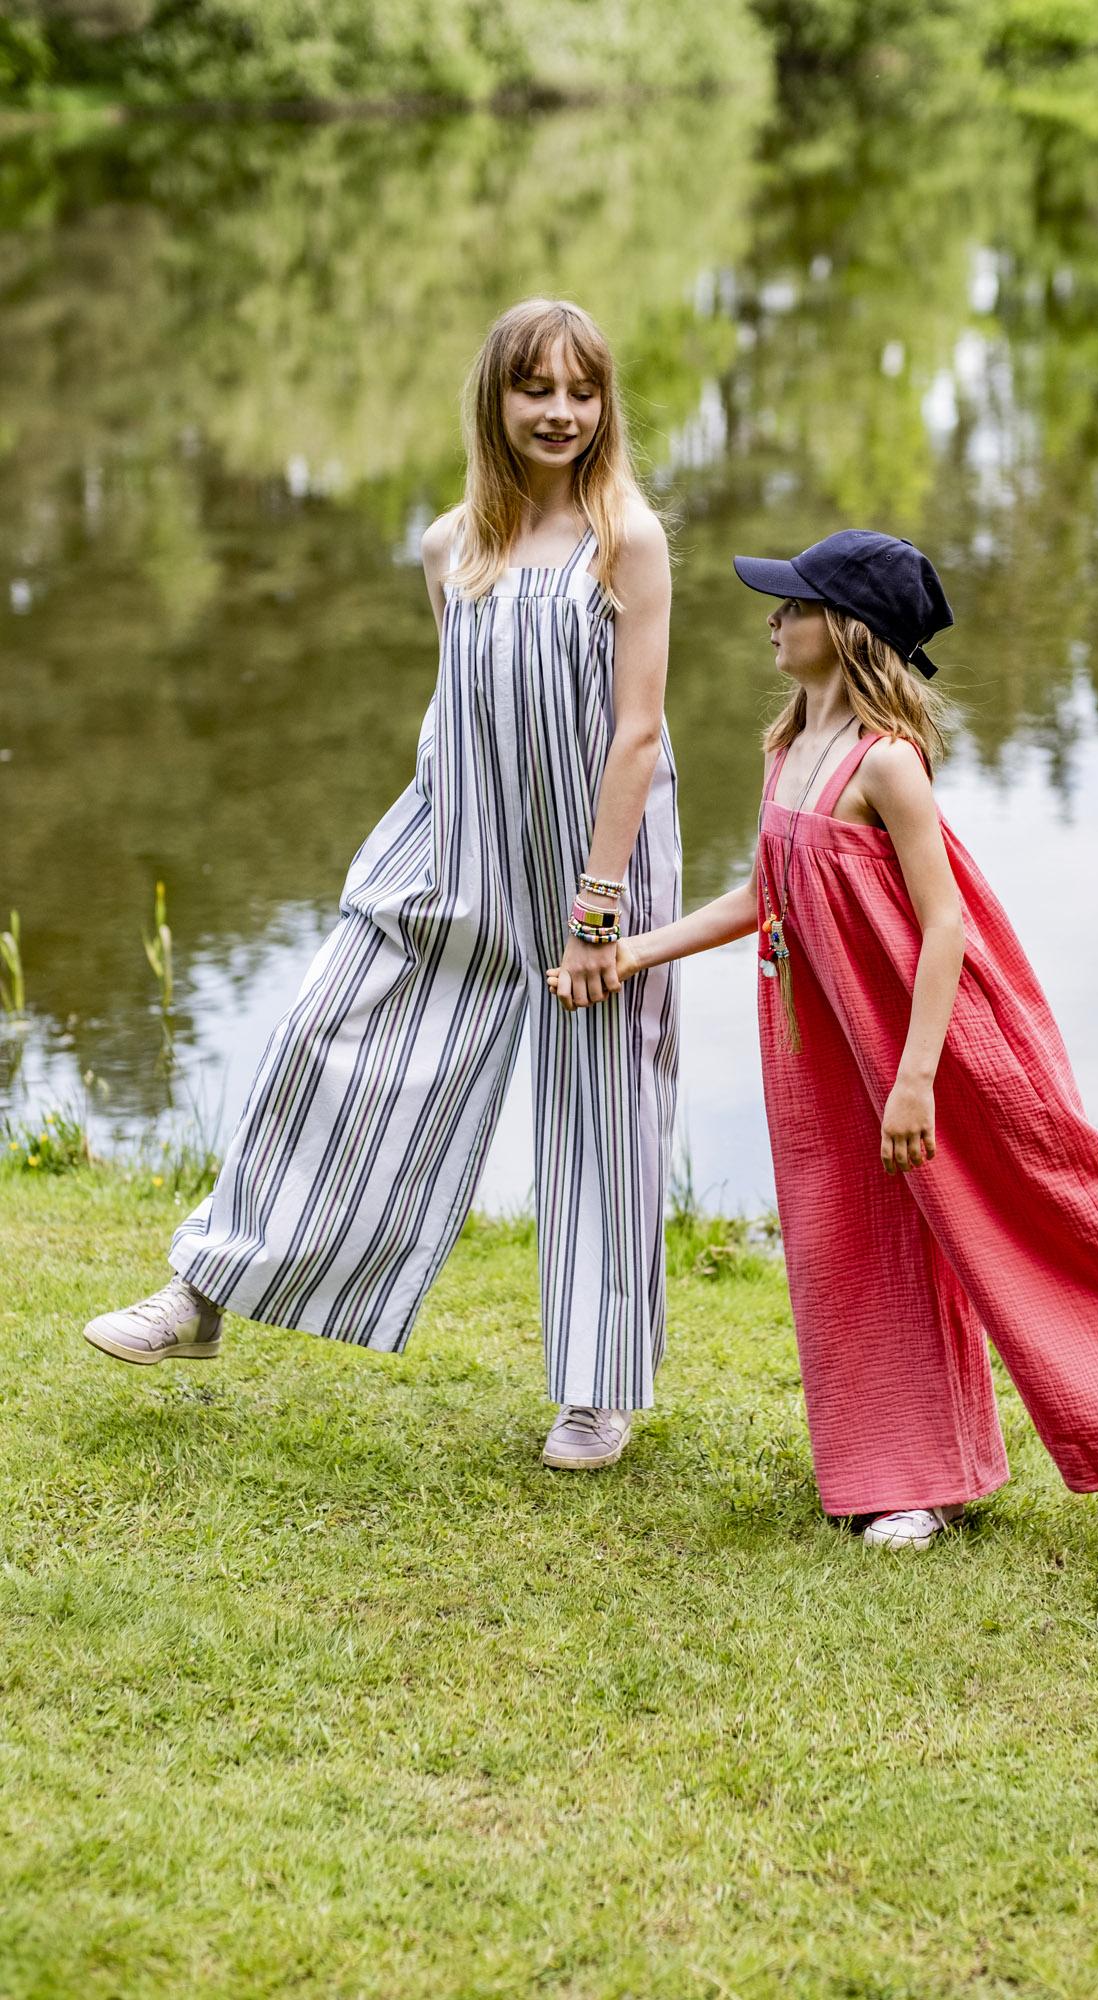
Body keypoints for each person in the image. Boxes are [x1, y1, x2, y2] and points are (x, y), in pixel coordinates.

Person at [554, 529, 1098, 1548]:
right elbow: (761, 895)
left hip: (943, 1043)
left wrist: (916, 1081)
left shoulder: (887, 763)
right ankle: (914, 1471)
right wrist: (630, 953)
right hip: (833, 1043)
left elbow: (943, 921)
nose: (773, 619)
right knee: (856, 1229)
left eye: (796, 605)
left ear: (850, 631)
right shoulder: (787, 748)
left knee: (1058, 1211)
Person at [83, 297, 682, 1472]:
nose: (559, 412)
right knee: (324, 1025)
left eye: (580, 390)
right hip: (458, 836)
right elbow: (462, 707)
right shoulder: (448, 545)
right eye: (535, 389)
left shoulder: (630, 539)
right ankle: (205, 1286)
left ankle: (596, 1389)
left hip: (597, 853)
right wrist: (423, 842)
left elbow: (639, 730)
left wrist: (597, 903)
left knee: (601, 1104)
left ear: (603, 404)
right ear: (495, 401)